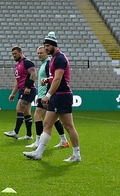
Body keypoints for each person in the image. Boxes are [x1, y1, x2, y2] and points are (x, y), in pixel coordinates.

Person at [24, 32, 82, 162]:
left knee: (68, 126)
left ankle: (77, 155)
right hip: (57, 96)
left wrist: (48, 95)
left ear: (54, 45)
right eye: (45, 46)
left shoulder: (60, 58)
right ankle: (38, 153)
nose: (46, 48)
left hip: (62, 96)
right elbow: (54, 78)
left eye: (48, 46)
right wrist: (47, 79)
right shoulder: (54, 59)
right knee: (47, 123)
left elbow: (58, 79)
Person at [27, 46, 70, 149]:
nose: (39, 55)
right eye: (38, 53)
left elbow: (52, 80)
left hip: (45, 95)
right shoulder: (44, 64)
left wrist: (47, 95)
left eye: (41, 53)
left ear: (46, 53)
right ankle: (64, 140)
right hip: (44, 95)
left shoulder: (47, 64)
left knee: (37, 115)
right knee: (54, 119)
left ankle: (38, 141)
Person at [4, 46, 36, 140]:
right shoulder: (18, 65)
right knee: (26, 112)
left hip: (28, 90)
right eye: (13, 54)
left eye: (15, 54)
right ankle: (29, 135)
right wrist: (13, 93)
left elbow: (33, 74)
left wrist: (29, 87)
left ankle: (16, 132)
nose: (14, 56)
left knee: (19, 109)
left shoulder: (27, 62)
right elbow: (18, 81)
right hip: (22, 90)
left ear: (21, 52)